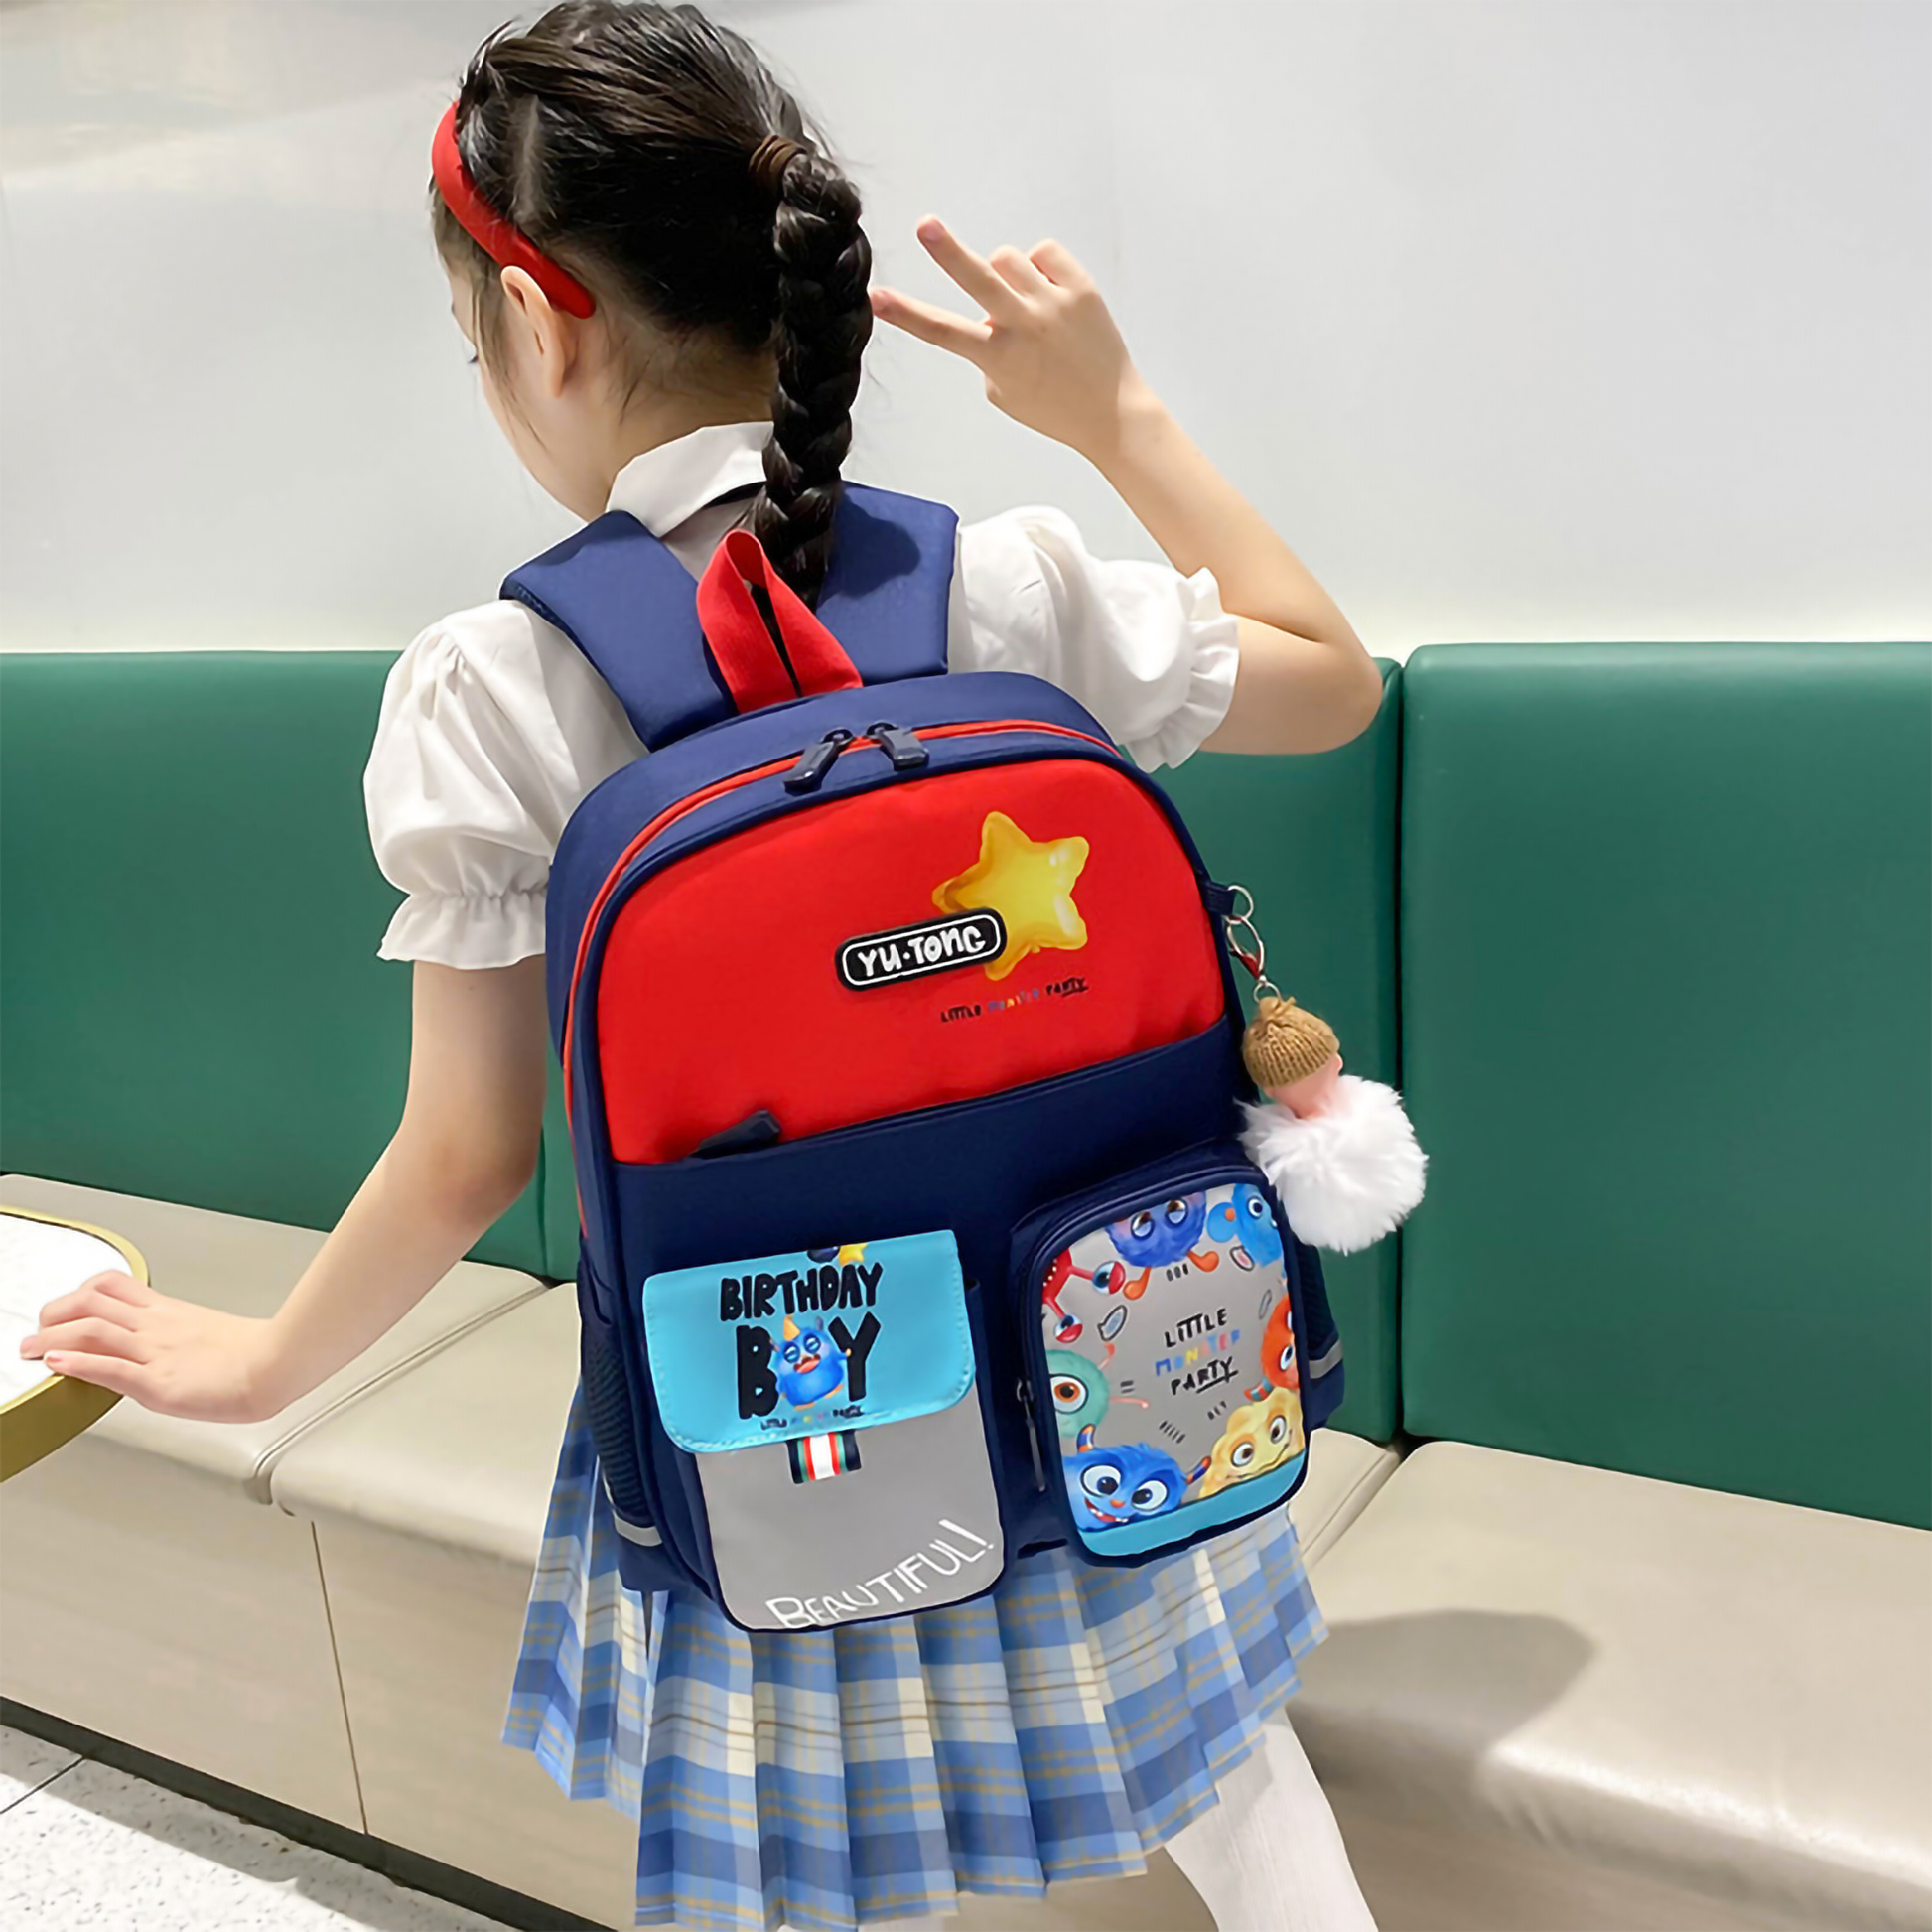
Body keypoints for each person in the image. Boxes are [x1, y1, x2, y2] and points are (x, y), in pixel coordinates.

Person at [24, 6, 1384, 1928]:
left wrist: (257, 1362)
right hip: (1109, 1355)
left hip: (781, 1416)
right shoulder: (1007, 584)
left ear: (538, 322)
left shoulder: (490, 690)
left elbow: (471, 1149)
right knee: (1225, 1760)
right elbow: (1333, 682)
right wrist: (1114, 417)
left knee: (812, 1856)